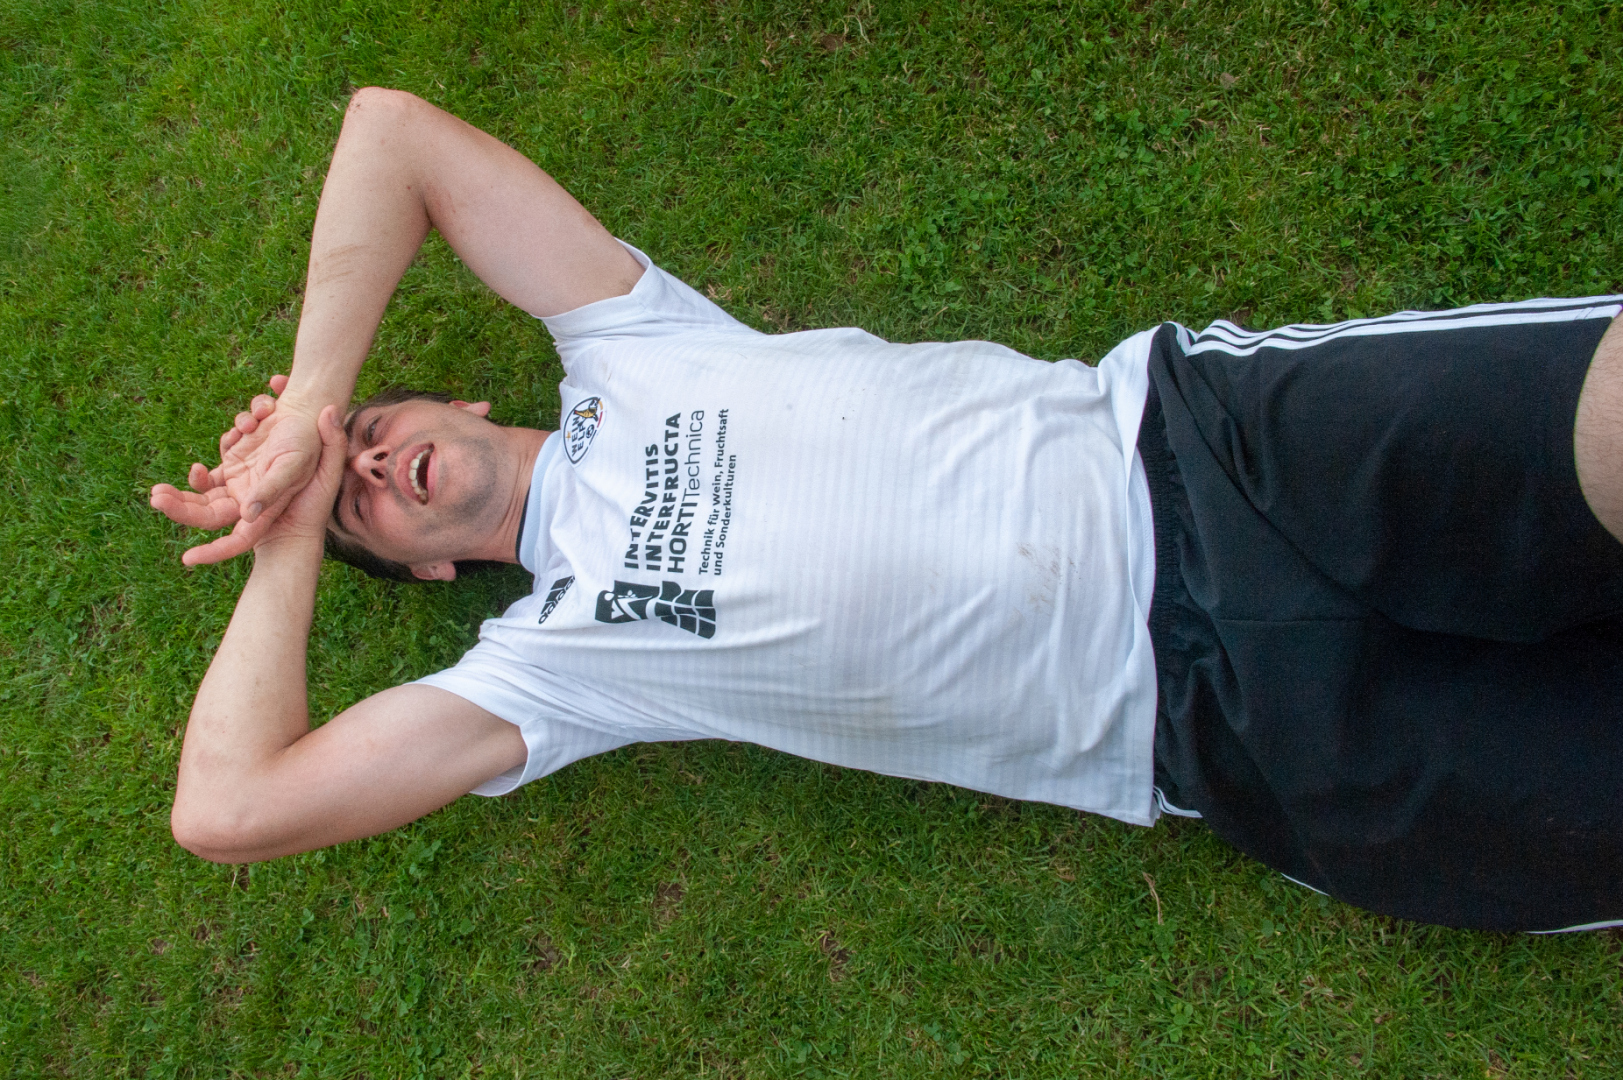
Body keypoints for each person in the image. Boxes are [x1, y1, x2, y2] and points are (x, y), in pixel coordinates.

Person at [150, 88, 1623, 933]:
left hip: (1210, 454)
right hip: (1216, 724)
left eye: (371, 438)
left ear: (460, 405)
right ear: (426, 571)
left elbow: (390, 133)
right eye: (359, 508)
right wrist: (288, 522)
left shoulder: (626, 340)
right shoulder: (551, 666)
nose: (370, 470)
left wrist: (309, 404)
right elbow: (229, 809)